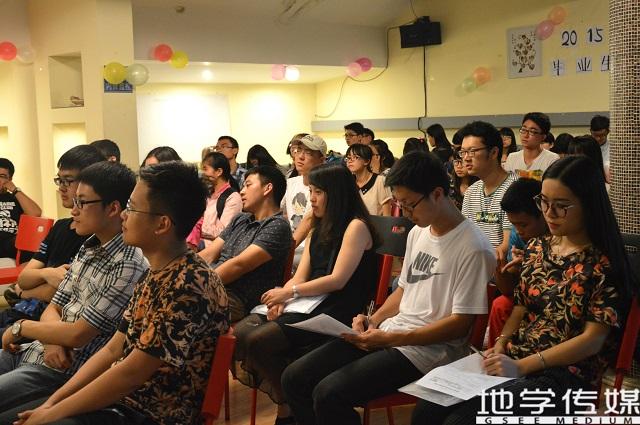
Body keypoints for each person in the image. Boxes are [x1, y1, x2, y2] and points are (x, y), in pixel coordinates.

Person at [411, 155, 636, 424]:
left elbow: (592, 340)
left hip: (566, 377)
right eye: (544, 202)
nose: (549, 213)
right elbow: (520, 306)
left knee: (463, 420)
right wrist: (501, 343)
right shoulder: (539, 247)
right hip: (517, 359)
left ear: (588, 204)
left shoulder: (604, 264)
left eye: (561, 206)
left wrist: (521, 366)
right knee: (429, 407)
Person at [4, 161, 230, 425]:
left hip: (151, 414)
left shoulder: (187, 283)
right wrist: (52, 404)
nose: (123, 215)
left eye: (132, 208)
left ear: (162, 224)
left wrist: (53, 412)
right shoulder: (156, 273)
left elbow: (130, 374)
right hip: (122, 402)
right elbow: (112, 350)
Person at [281, 151, 496, 425]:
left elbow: (460, 324)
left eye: (409, 205)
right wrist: (374, 319)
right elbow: (404, 290)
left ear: (437, 194)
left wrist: (392, 338)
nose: (405, 213)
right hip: (391, 334)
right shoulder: (419, 231)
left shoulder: (473, 247)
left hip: (428, 351)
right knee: (294, 377)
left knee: (329, 394)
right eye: (399, 204)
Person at [235, 163, 379, 424]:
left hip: (339, 307)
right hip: (310, 301)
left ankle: (292, 405)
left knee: (259, 341)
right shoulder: (318, 227)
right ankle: (293, 402)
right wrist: (284, 297)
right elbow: (300, 276)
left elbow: (337, 280)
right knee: (243, 332)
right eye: (311, 191)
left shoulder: (356, 226)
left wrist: (290, 292)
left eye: (318, 192)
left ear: (337, 194)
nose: (311, 198)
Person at [0, 162, 147, 415]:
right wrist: (51, 340)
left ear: (113, 208)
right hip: (35, 350)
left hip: (61, 371)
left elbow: (79, 334)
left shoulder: (128, 263)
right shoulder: (89, 245)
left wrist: (21, 327)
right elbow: (54, 306)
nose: (74, 210)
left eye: (82, 202)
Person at [1, 146, 105, 329]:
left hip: (43, 322)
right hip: (23, 313)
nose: (61, 188)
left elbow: (58, 291)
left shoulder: (98, 235)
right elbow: (25, 277)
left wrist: (21, 291)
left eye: (68, 181)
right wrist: (46, 274)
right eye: (59, 180)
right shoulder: (60, 227)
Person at [199, 166, 293, 322]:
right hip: (213, 286)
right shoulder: (240, 219)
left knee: (180, 305)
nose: (242, 191)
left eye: (248, 185)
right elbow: (209, 254)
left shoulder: (277, 225)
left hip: (236, 298)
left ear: (267, 188)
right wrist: (181, 271)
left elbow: (239, 265)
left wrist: (197, 282)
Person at [489, 178, 548, 348]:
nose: (519, 230)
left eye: (523, 224)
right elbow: (508, 290)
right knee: (500, 305)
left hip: (548, 299)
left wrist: (534, 264)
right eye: (514, 224)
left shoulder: (558, 236)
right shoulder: (517, 234)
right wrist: (500, 269)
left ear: (543, 214)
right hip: (525, 297)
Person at [460, 121, 517, 261]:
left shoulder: (514, 188)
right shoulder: (471, 192)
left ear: (493, 153)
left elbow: (508, 245)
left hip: (500, 266)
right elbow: (465, 236)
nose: (466, 158)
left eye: (472, 151)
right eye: (463, 152)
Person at [282, 135, 327, 267]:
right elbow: (275, 210)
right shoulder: (290, 183)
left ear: (322, 160)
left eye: (308, 153)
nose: (300, 157)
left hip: (311, 247)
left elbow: (309, 221)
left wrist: (285, 251)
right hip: (292, 244)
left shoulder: (325, 187)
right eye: (299, 150)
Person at [187, 152, 242, 250]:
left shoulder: (233, 197)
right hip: (197, 245)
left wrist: (196, 226)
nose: (202, 173)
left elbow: (223, 232)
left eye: (205, 169)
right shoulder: (207, 194)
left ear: (219, 172)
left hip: (212, 251)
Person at [0, 158, 42, 259]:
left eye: (2, 176)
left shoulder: (16, 198)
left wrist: (15, 190)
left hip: (11, 242)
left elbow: (36, 213)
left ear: (10, 179)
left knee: (31, 244)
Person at [504, 112, 559, 180]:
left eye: (532, 132)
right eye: (523, 130)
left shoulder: (552, 159)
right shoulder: (512, 158)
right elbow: (507, 184)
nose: (525, 135)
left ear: (543, 137)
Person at [345, 143, 392, 216]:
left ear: (366, 161)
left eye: (355, 157)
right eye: (348, 158)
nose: (350, 161)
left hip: (375, 222)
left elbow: (387, 215)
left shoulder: (380, 181)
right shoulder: (348, 182)